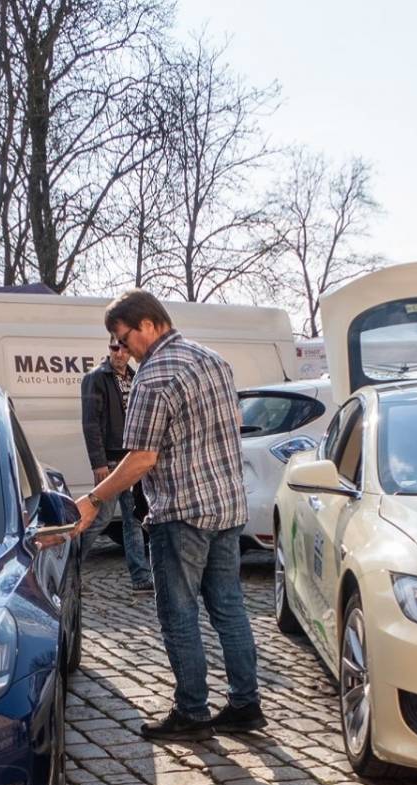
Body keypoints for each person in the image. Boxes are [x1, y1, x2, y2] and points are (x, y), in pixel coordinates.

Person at [69, 289, 262, 741]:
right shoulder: (213, 360)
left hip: (182, 512)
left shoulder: (154, 375)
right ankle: (245, 704)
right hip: (228, 506)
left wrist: (93, 501)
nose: (124, 349)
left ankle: (192, 712)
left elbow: (141, 459)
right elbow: (231, 425)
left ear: (149, 325)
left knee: (178, 614)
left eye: (124, 337)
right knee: (230, 609)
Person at [79, 334, 152, 593]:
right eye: (114, 347)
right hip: (110, 460)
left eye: (124, 348)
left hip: (130, 458)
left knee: (133, 519)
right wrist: (98, 462)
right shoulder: (96, 377)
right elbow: (90, 424)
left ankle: (140, 577)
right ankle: (70, 571)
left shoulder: (134, 377)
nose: (119, 353)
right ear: (108, 347)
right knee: (100, 518)